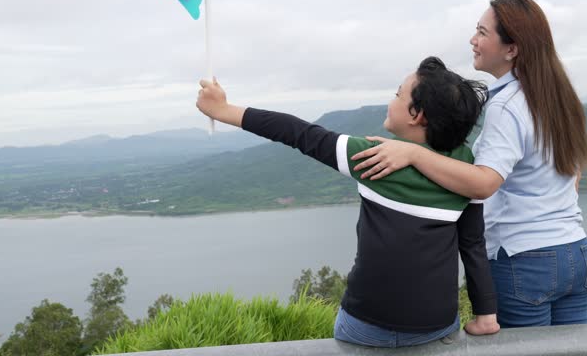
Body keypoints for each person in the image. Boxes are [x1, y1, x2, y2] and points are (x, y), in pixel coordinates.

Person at [196, 56, 500, 347]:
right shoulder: (466, 170)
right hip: (435, 326)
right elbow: (472, 244)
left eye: (397, 95)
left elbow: (297, 132)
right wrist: (486, 315)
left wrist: (224, 110)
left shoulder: (374, 157)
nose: (390, 100)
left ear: (415, 114)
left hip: (367, 324)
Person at [349, 0, 587, 327]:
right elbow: (574, 172)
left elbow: (483, 183)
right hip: (575, 252)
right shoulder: (557, 96)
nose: (472, 39)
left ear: (512, 48)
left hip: (524, 260)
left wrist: (413, 153)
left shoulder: (507, 106)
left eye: (482, 32)